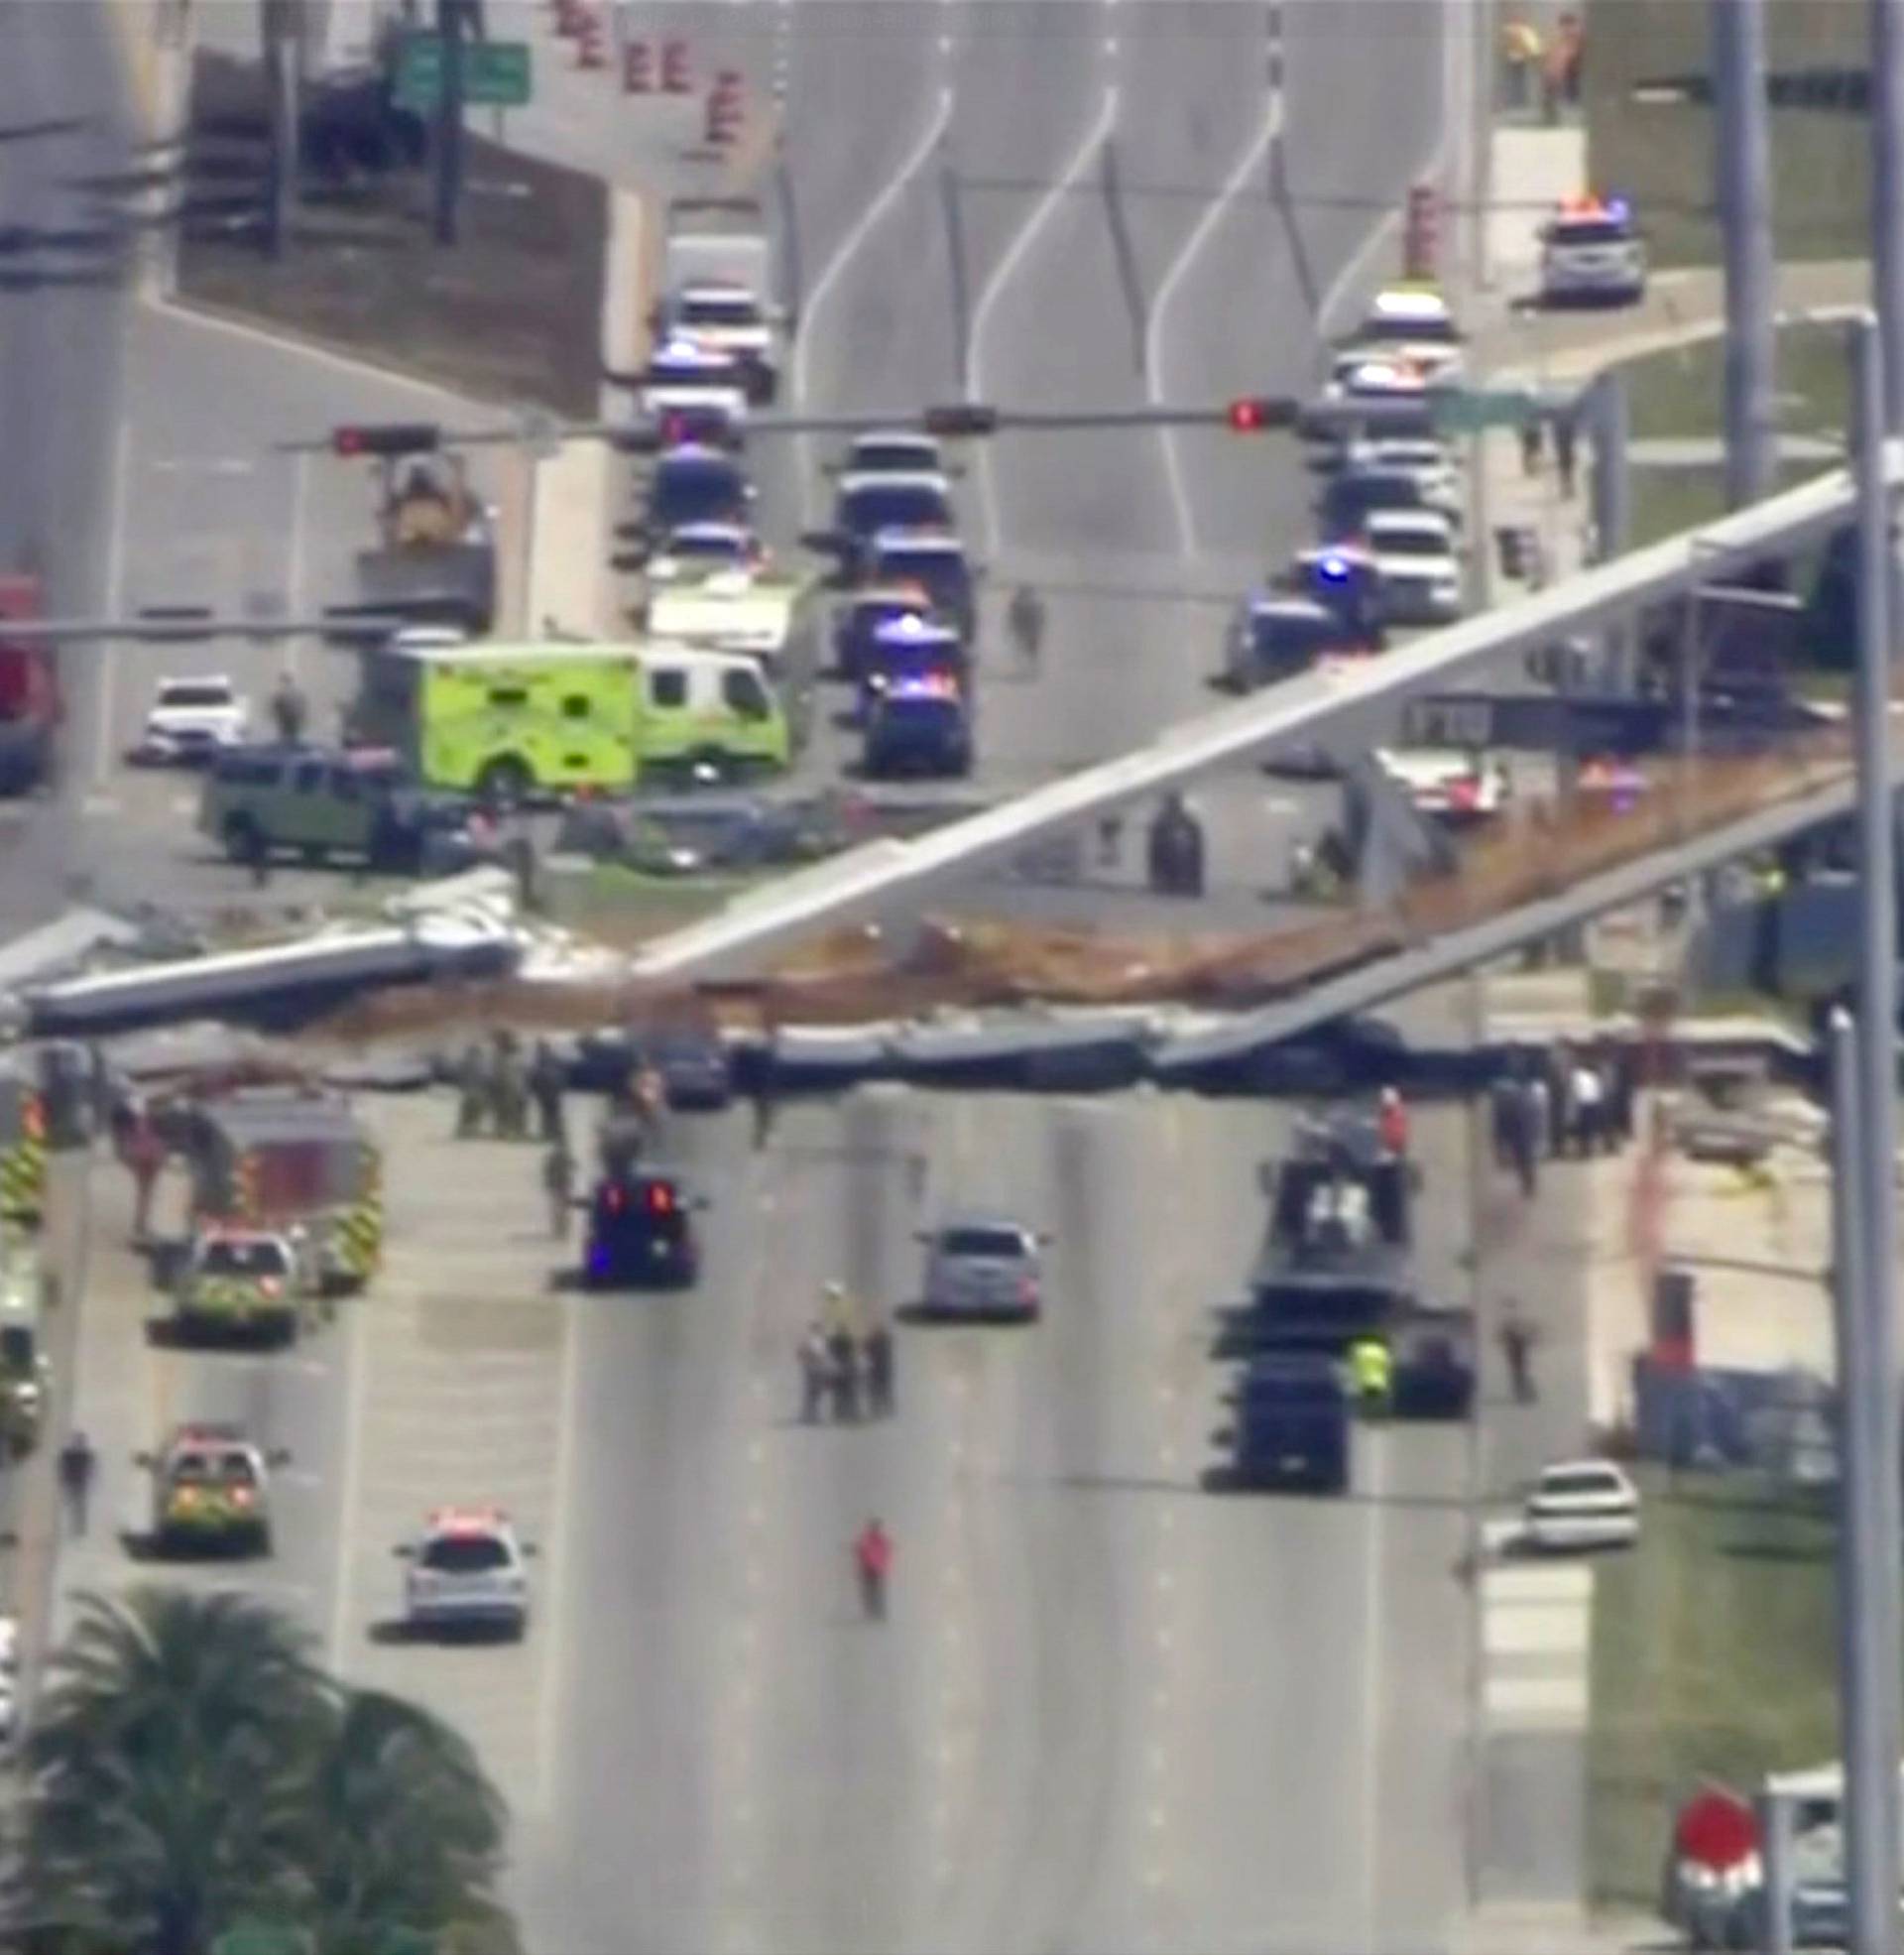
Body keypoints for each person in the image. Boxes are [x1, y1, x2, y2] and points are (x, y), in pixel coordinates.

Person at [1498, 1300, 1540, 1404]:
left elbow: (1525, 1337)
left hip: (1518, 1353)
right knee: (1518, 1375)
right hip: (1515, 1354)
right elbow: (1503, 1338)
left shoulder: (1514, 1323)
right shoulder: (1510, 1324)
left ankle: (1526, 1395)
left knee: (1519, 1375)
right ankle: (1524, 1395)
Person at [58, 1428, 95, 1537]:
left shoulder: (71, 1454)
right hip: (76, 1482)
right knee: (76, 1505)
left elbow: (90, 1469)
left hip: (76, 1482)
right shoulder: (80, 1455)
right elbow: (90, 1469)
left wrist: (63, 1478)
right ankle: (76, 1528)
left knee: (75, 1505)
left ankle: (76, 1528)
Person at [854, 1517, 892, 1622]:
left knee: (871, 1591)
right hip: (873, 1569)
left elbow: (862, 1552)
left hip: (871, 1569)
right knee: (874, 1591)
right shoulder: (879, 1540)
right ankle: (875, 1612)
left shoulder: (870, 1540)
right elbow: (885, 1554)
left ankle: (874, 1612)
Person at [529, 1039, 565, 1145]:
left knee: (546, 1114)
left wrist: (533, 1089)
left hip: (546, 1091)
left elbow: (535, 1076)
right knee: (554, 1114)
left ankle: (548, 1134)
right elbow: (562, 1075)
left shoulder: (540, 1060)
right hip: (553, 1091)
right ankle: (557, 1134)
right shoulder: (555, 1059)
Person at [1348, 1336, 1392, 1417]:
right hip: (1378, 1380)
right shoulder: (1381, 1351)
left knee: (1364, 1403)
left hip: (1363, 1381)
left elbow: (1353, 1365)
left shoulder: (1359, 1350)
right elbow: (1387, 1366)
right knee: (1377, 1403)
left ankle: (1365, 1417)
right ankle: (1379, 1417)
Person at [541, 1138, 574, 1242]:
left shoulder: (552, 1157)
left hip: (557, 1184)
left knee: (557, 1207)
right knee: (562, 1207)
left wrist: (547, 1182)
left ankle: (559, 1228)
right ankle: (562, 1229)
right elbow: (574, 1166)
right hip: (563, 1183)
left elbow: (547, 1171)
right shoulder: (566, 1156)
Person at [863, 1315, 894, 1420]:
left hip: (882, 1369)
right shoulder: (875, 1340)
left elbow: (867, 1350)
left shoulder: (884, 1340)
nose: (877, 1330)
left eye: (878, 1328)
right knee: (876, 1390)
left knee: (884, 1390)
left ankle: (886, 1409)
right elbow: (865, 1351)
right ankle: (877, 1409)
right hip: (875, 1369)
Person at [455, 1041, 489, 1140]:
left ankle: (463, 1130)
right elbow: (486, 1078)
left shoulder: (464, 1063)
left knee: (467, 1113)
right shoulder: (482, 1064)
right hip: (477, 1092)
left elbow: (459, 1076)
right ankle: (471, 1130)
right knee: (474, 1113)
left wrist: (462, 1087)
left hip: (469, 1091)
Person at [828, 1322, 861, 1423]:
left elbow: (851, 1354)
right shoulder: (839, 1341)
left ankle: (846, 1413)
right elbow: (833, 1353)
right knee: (842, 1393)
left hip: (844, 1369)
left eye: (843, 1330)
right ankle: (843, 1413)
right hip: (842, 1369)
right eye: (842, 1330)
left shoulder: (843, 1341)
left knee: (845, 1392)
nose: (842, 1332)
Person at [799, 1322, 831, 1424]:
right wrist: (812, 1357)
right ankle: (809, 1414)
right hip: (812, 1367)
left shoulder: (821, 1341)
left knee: (816, 1392)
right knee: (812, 1391)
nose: (819, 1331)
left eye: (819, 1329)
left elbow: (824, 1354)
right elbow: (804, 1352)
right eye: (817, 1329)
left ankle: (813, 1414)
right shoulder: (810, 1341)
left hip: (817, 1367)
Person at [1008, 584, 1045, 670]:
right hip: (1030, 631)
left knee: (1024, 649)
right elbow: (1041, 618)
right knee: (1031, 650)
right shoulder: (1037, 603)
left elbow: (1012, 618)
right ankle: (1031, 667)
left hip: (1025, 631)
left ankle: (1026, 667)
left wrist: (1011, 629)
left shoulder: (1016, 602)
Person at [270, 672, 308, 746]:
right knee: (290, 736)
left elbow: (275, 707)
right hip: (289, 720)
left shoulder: (281, 695)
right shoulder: (295, 694)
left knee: (288, 735)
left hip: (289, 719)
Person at [1376, 1085, 1410, 1159]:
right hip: (1391, 1145)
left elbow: (1396, 1134)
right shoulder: (1387, 1113)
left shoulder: (1396, 1113)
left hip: (1393, 1146)